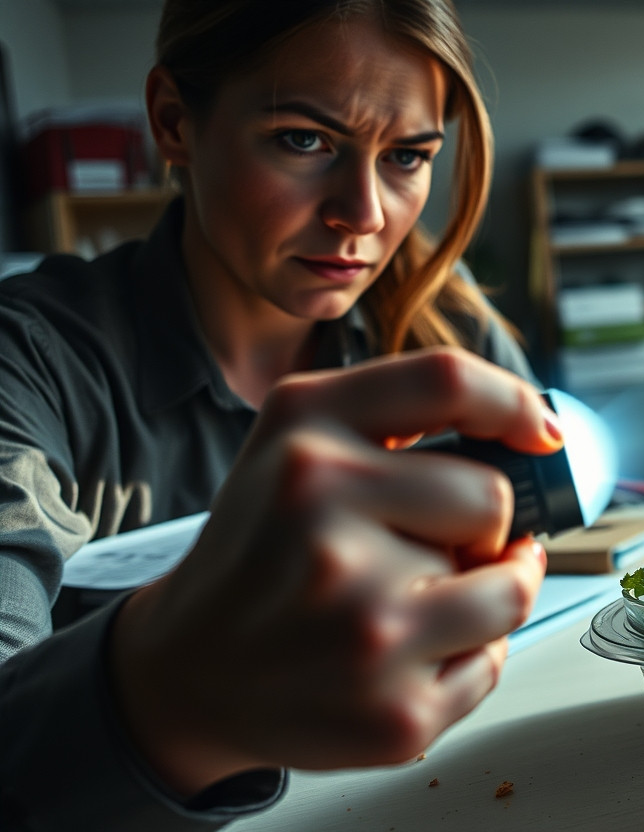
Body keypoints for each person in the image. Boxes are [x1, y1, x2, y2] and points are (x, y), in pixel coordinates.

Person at [0, 2, 561, 828]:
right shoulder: (31, 359)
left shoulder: (443, 324)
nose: (364, 215)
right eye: (304, 139)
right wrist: (166, 698)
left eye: (408, 156)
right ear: (174, 122)